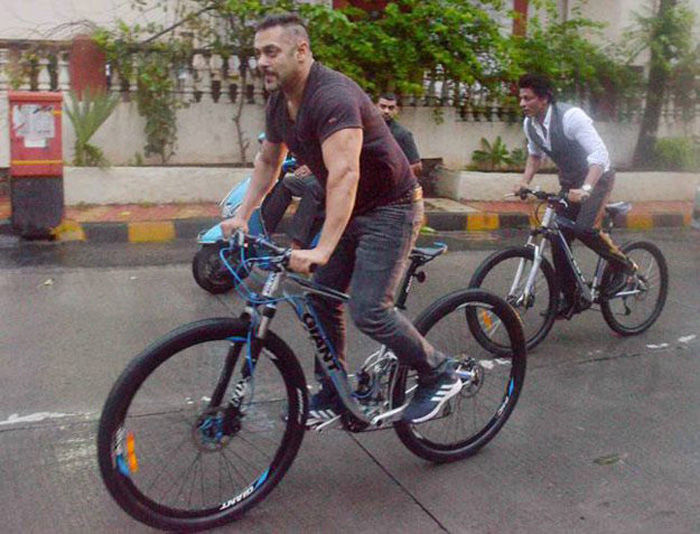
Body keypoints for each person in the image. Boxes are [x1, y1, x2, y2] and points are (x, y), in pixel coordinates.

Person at [221, 13, 461, 423]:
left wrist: (323, 248)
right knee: (319, 299)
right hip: (354, 207)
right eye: (258, 53)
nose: (261, 61)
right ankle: (334, 392)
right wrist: (243, 217)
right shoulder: (280, 101)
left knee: (369, 308)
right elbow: (268, 160)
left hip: (392, 206)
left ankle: (439, 372)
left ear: (301, 51)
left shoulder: (331, 96)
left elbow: (344, 173)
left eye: (270, 51)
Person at [513, 73, 638, 319]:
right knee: (557, 235)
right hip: (570, 184)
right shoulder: (531, 124)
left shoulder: (571, 117)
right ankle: (572, 298)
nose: (522, 104)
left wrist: (587, 190)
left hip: (597, 179)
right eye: (521, 98)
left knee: (584, 229)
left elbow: (600, 155)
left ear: (544, 98)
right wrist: (524, 183)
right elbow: (535, 156)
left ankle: (625, 267)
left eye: (528, 98)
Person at [376, 92, 423, 177]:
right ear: (375, 106)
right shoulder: (365, 130)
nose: (386, 111)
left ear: (396, 110)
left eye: (391, 108)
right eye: (383, 106)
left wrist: (397, 179)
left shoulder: (402, 134)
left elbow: (416, 166)